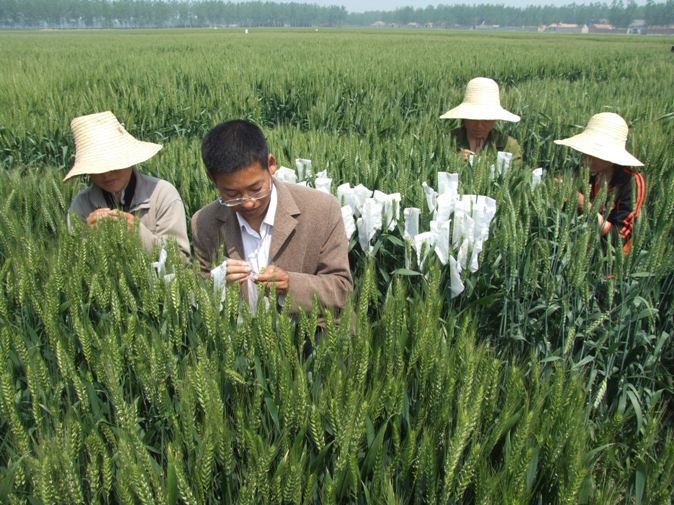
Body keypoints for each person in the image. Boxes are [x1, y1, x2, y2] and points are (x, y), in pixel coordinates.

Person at [191, 119, 353, 315]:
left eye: (256, 189)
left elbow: (342, 291)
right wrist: (218, 281)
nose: (248, 202)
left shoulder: (322, 209)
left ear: (271, 164)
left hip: (314, 329)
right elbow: (198, 295)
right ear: (212, 179)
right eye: (232, 194)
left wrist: (290, 285)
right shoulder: (204, 223)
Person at [65, 111, 190, 260]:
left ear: (129, 160)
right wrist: (88, 238)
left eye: (114, 164)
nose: (107, 174)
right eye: (98, 168)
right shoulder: (81, 204)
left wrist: (137, 233)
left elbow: (181, 260)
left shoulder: (162, 194)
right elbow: (72, 262)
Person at [555, 112, 645, 254]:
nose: (585, 156)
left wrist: (584, 204)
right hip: (580, 251)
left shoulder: (631, 182)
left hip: (611, 259)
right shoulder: (586, 170)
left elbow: (618, 238)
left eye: (593, 151)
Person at [440, 77, 522, 161]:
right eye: (473, 119)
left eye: (486, 120)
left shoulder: (508, 145)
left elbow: (516, 168)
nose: (479, 125)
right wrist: (453, 160)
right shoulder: (447, 140)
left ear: (494, 119)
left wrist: (484, 164)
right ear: (464, 117)